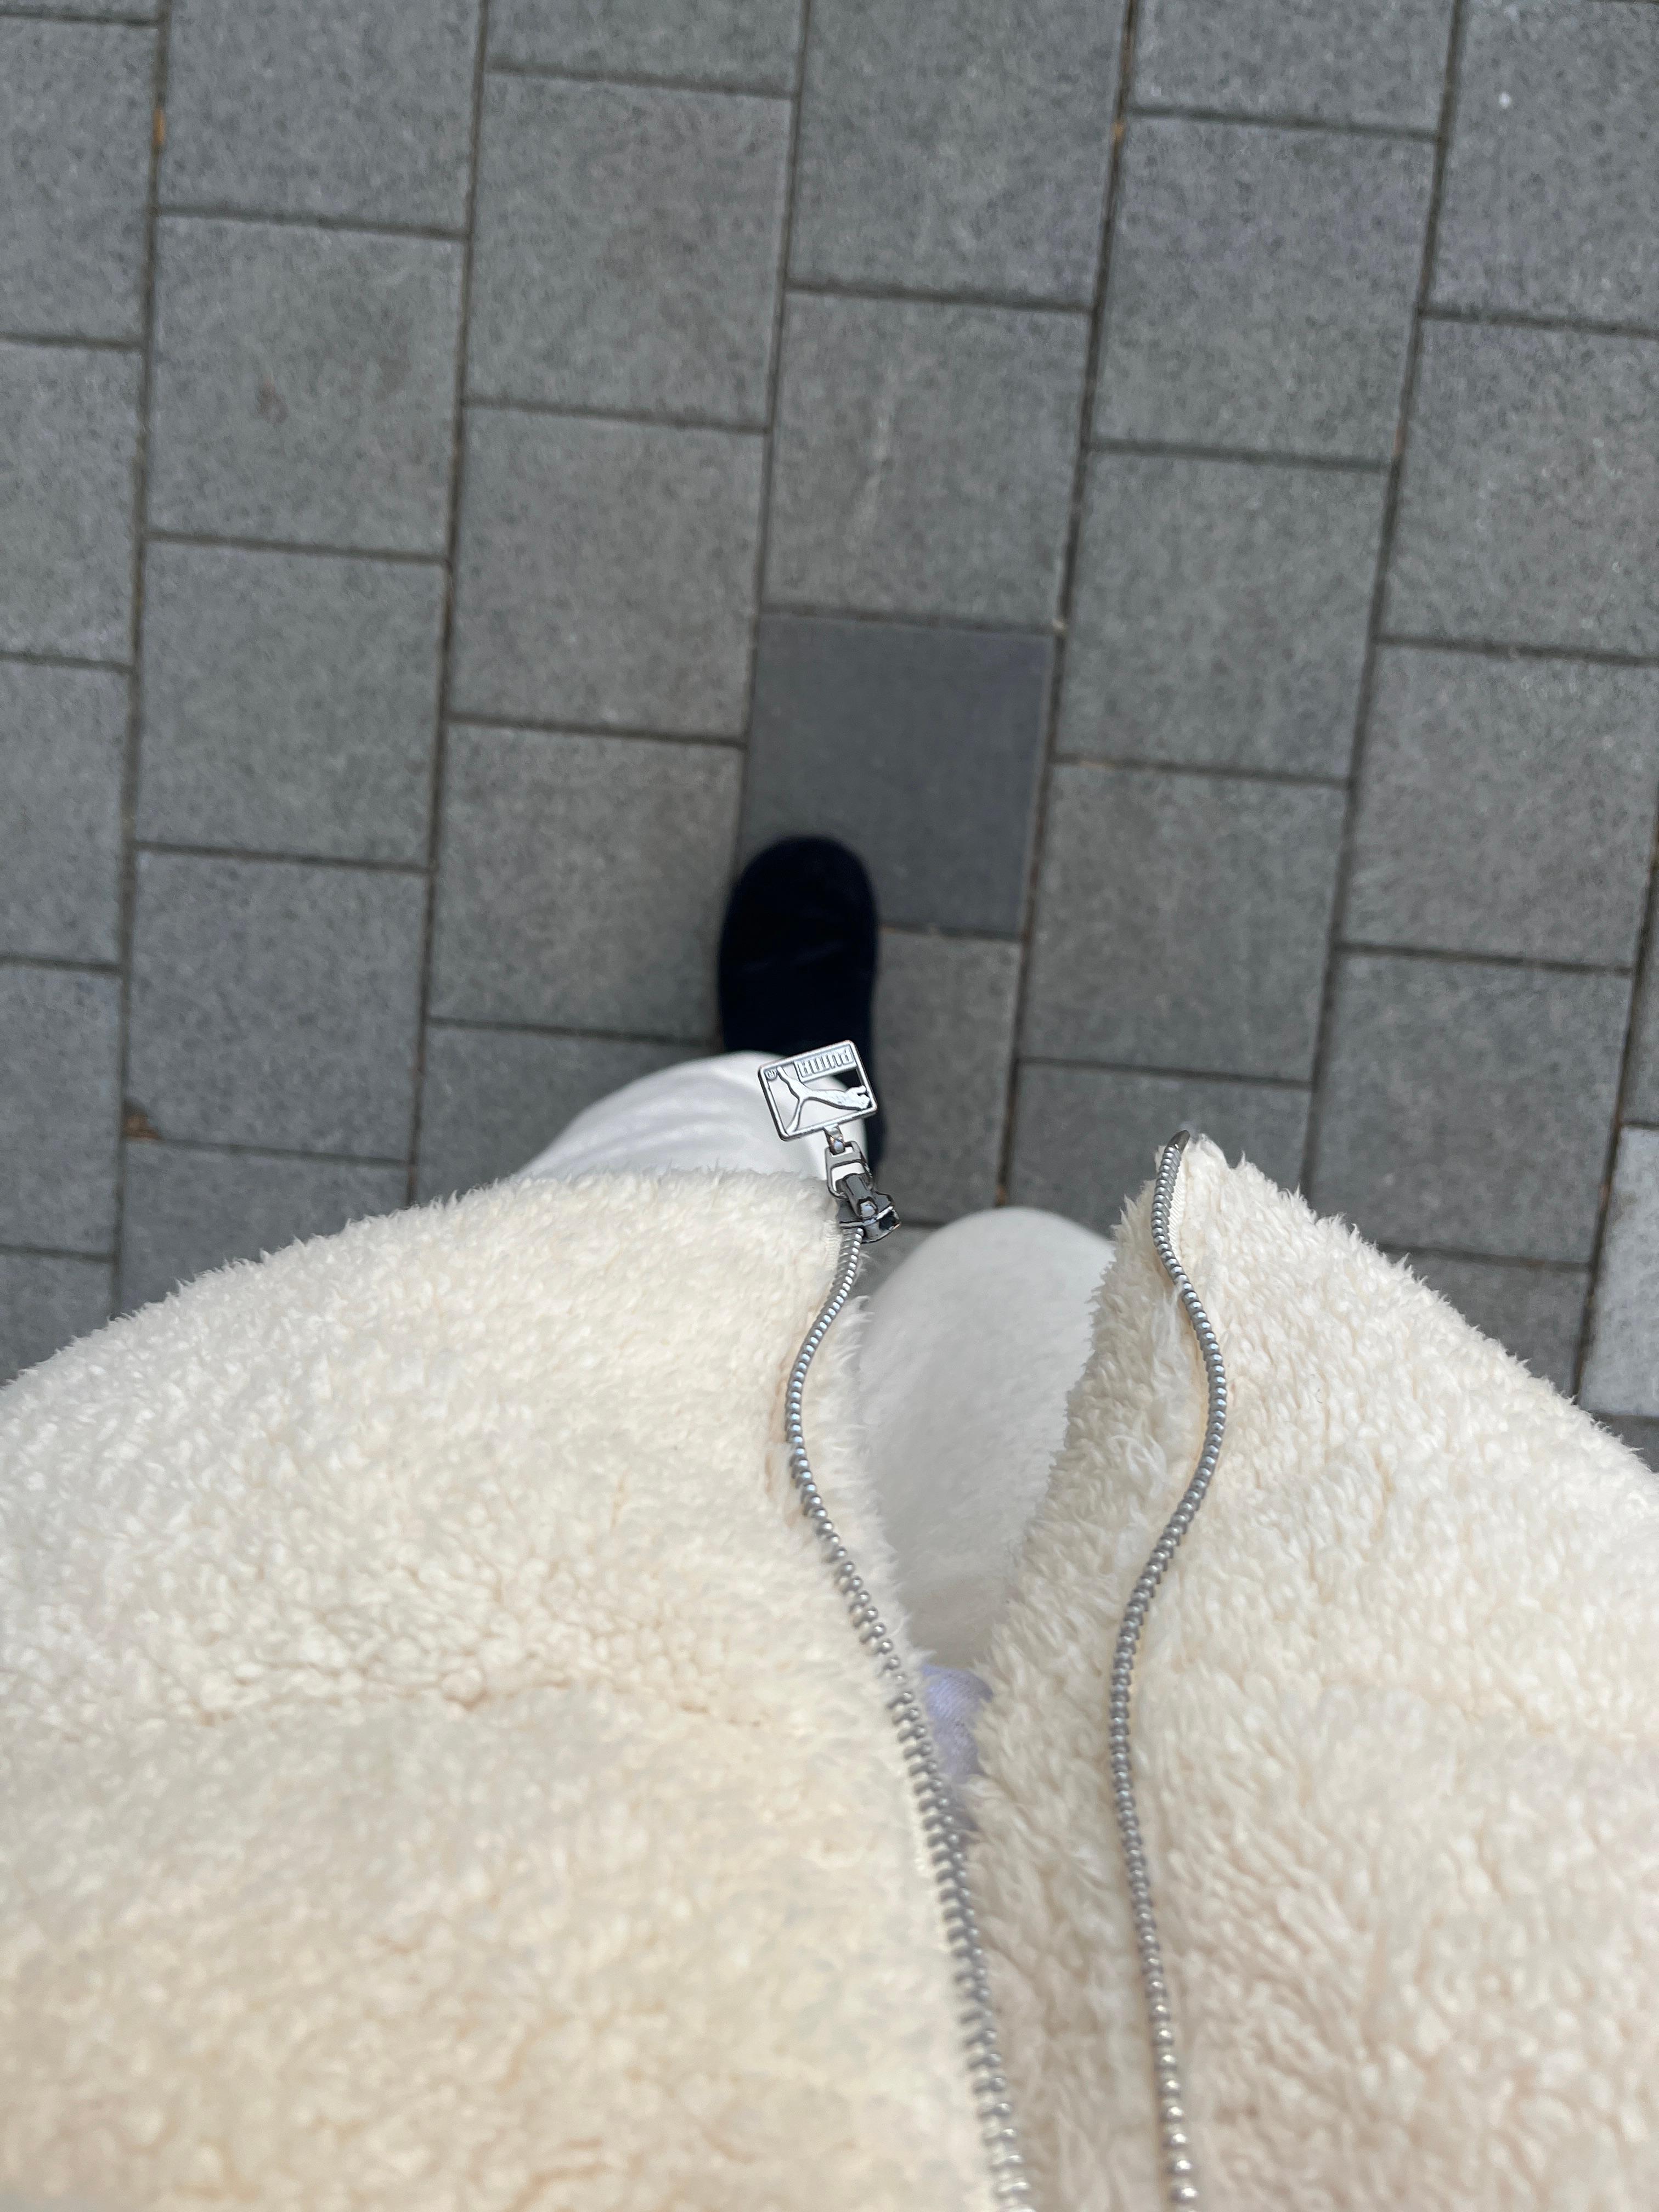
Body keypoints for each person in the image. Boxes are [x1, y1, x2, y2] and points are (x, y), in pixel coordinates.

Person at [3, 839, 1657, 2212]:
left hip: (546, 1746)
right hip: (1144, 1780)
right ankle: (824, 1147)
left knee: (664, 1223)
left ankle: (790, 1112)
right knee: (1027, 1305)